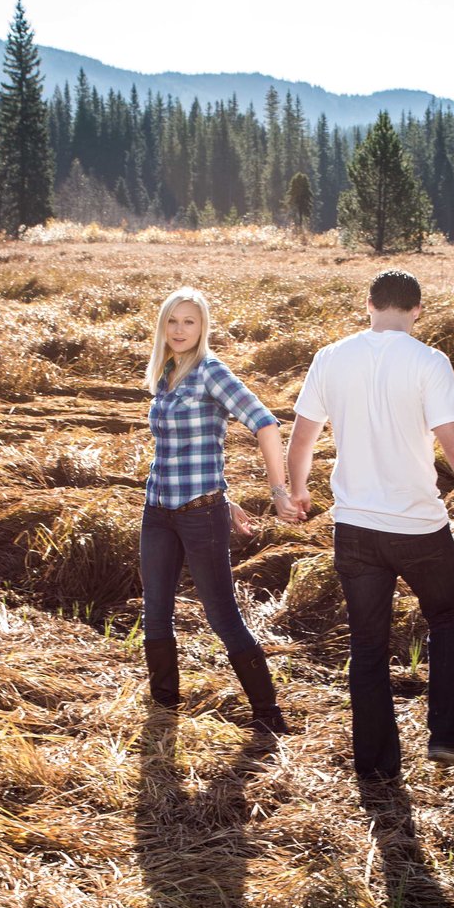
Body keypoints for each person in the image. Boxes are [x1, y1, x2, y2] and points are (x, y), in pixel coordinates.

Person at [282, 268, 454, 782]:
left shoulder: (331, 357)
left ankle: (376, 767)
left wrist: (297, 492)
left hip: (355, 527)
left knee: (366, 644)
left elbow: (301, 439)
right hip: (418, 526)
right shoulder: (429, 361)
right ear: (417, 310)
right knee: (448, 619)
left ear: (368, 304)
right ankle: (448, 736)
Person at [138, 284, 295, 733]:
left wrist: (278, 490)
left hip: (200, 513)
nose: (180, 329)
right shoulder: (165, 371)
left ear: (203, 327)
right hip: (157, 509)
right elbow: (184, 450)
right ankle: (165, 710)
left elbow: (265, 423)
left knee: (221, 615)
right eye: (173, 320)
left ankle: (268, 716)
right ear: (162, 326)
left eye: (190, 321)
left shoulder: (211, 371)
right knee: (155, 610)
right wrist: (228, 492)